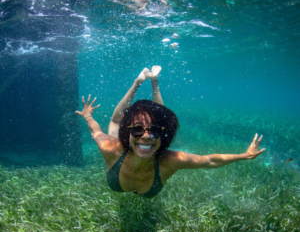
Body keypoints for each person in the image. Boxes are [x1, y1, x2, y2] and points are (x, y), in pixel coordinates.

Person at [75, 66, 265, 198]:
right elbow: (96, 132)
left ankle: (154, 82)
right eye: (138, 129)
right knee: (117, 121)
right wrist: (88, 117)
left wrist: (244, 156)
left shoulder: (172, 161)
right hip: (124, 143)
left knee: (159, 119)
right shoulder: (111, 148)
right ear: (129, 132)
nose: (147, 135)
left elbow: (209, 160)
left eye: (155, 132)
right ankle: (137, 82)